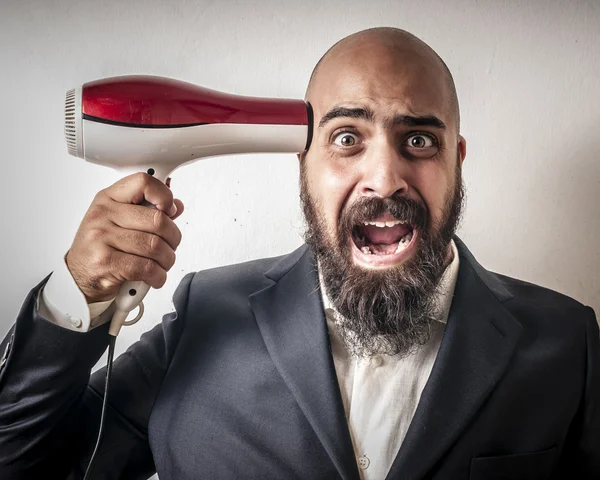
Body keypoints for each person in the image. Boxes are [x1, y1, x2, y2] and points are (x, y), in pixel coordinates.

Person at [0, 27, 598, 480]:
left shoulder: (568, 341)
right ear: (303, 165)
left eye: (418, 139)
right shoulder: (205, 317)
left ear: (457, 160)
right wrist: (74, 294)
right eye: (346, 139)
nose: (384, 179)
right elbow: (24, 466)